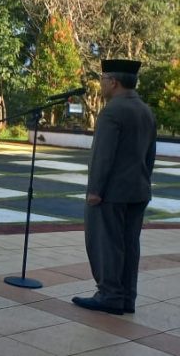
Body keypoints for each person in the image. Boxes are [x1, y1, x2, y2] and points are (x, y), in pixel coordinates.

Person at [73, 59, 156, 316]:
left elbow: (102, 155)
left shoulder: (112, 111)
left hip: (111, 193)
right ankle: (126, 297)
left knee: (107, 244)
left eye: (103, 78)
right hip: (138, 190)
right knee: (130, 245)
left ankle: (109, 295)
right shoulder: (145, 110)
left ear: (113, 81)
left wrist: (95, 190)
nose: (101, 83)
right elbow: (150, 155)